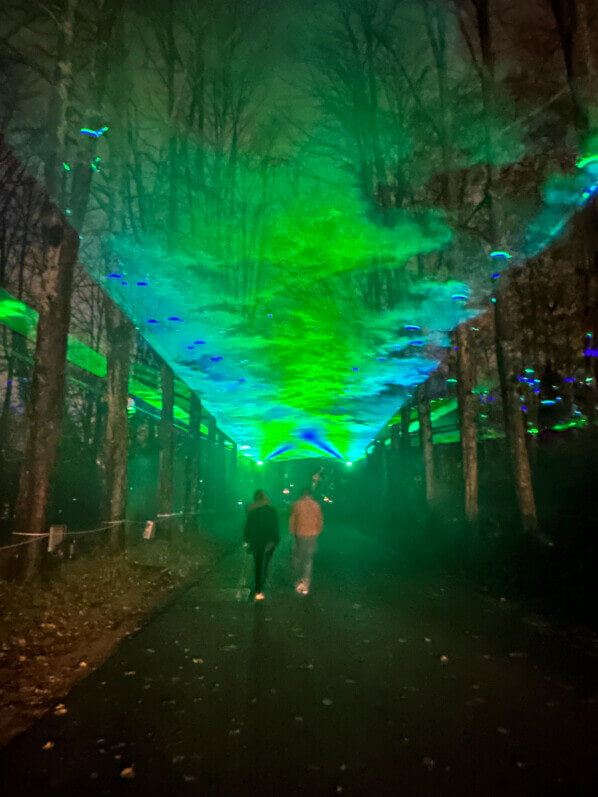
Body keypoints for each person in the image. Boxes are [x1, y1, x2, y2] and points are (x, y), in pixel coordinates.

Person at [244, 490, 279, 601]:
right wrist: (275, 540)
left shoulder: (252, 512)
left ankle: (258, 586)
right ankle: (263, 580)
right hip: (269, 541)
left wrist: (248, 540)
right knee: (267, 561)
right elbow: (275, 526)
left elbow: (248, 527)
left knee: (258, 563)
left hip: (257, 541)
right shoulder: (271, 511)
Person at [289, 487, 323, 595]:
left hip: (300, 534)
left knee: (298, 557)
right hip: (312, 535)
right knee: (308, 560)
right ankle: (305, 584)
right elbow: (320, 521)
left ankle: (297, 581)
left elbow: (292, 521)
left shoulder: (296, 504)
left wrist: (293, 533)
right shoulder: (316, 505)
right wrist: (316, 531)